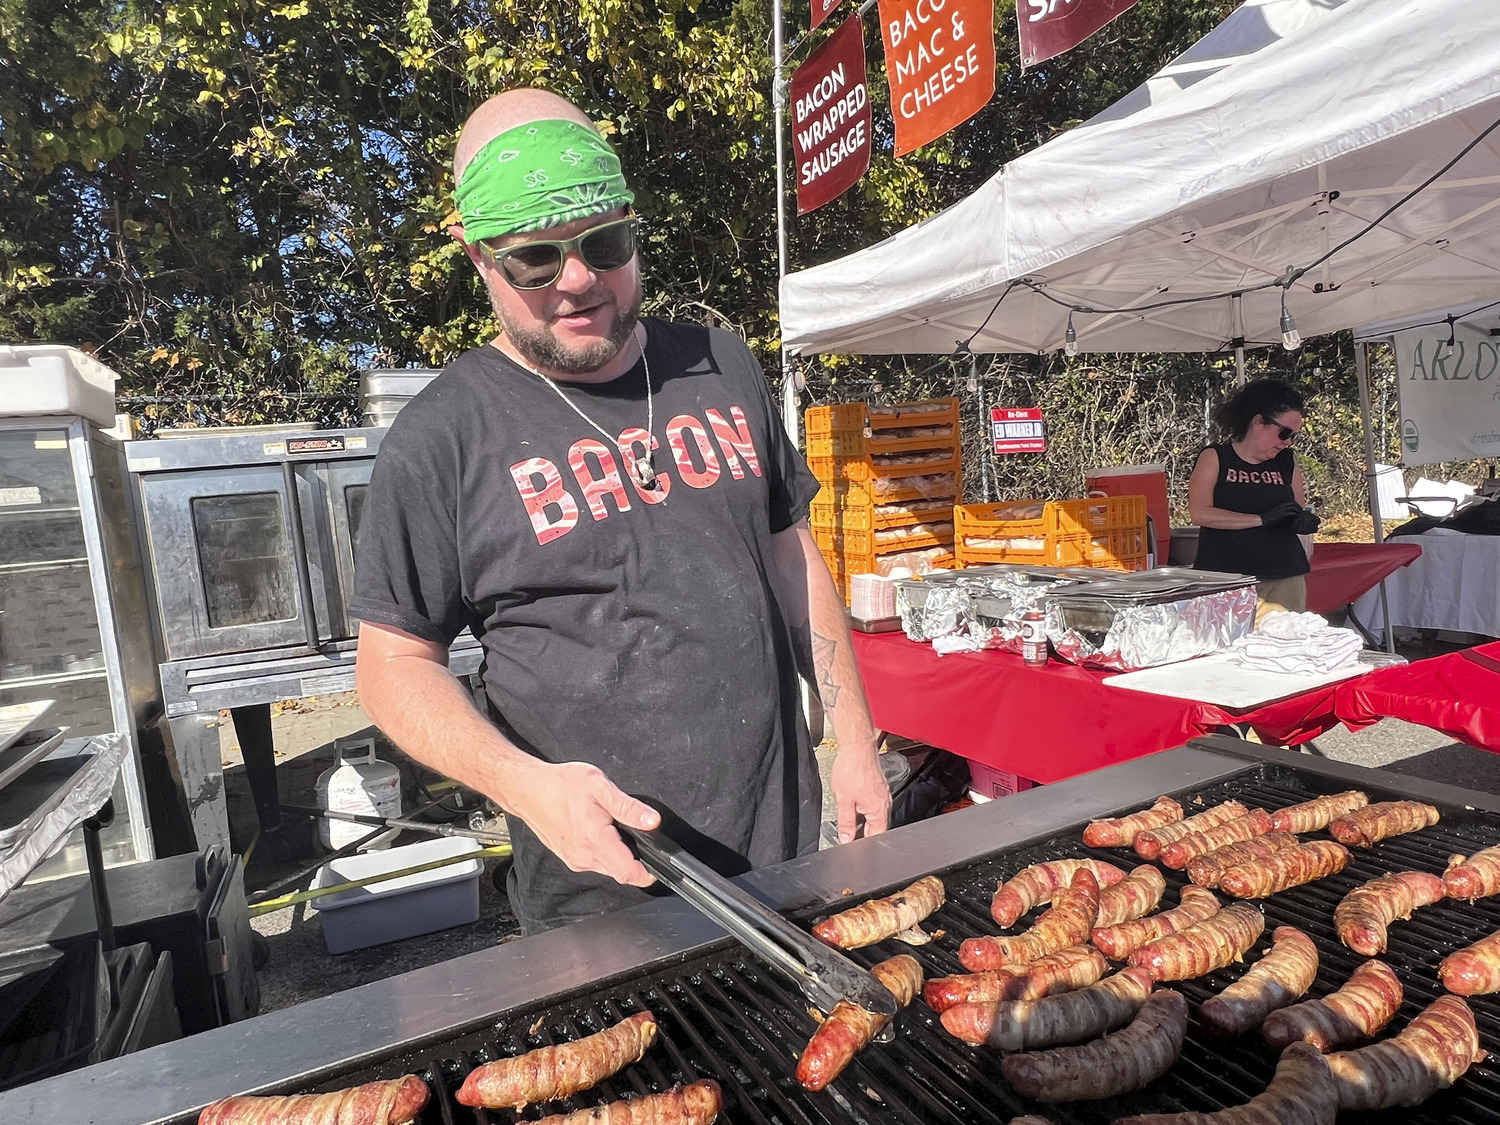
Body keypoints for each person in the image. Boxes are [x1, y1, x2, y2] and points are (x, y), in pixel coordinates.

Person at [349, 88, 890, 935]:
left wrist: (855, 739)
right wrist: (524, 785)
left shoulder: (722, 363)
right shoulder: (441, 437)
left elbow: (791, 557)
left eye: (605, 243)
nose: (578, 279)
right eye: (535, 258)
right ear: (477, 254)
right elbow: (391, 665)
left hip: (784, 863)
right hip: (598, 901)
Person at [1188, 378, 1320, 622]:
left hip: (1282, 576)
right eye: (1284, 433)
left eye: (1294, 437)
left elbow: (1298, 506)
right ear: (1258, 422)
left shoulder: (1286, 462)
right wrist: (1261, 519)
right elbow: (1200, 513)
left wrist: (1302, 520)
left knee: (1282, 649)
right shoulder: (1216, 457)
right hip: (1225, 578)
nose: (1287, 442)